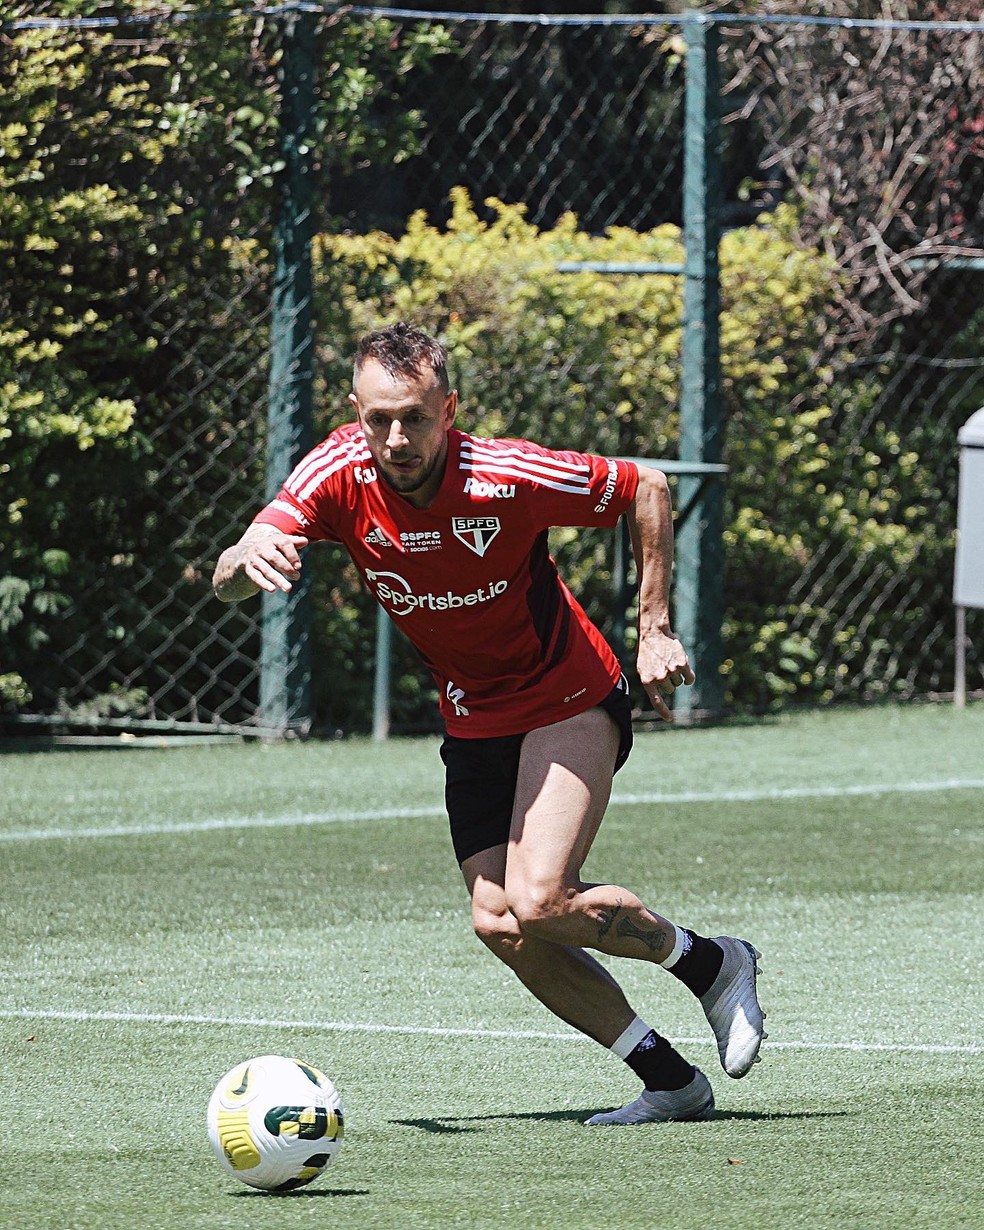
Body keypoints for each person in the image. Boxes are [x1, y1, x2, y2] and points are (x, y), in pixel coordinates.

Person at [213, 321, 766, 1125]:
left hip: (566, 694)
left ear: (450, 407)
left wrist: (653, 628)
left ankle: (712, 963)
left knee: (539, 899)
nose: (396, 438)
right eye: (377, 419)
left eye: (416, 417)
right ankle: (669, 1079)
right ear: (354, 410)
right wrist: (244, 555)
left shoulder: (502, 474)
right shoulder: (335, 472)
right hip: (474, 716)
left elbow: (645, 486)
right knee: (500, 920)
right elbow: (245, 555)